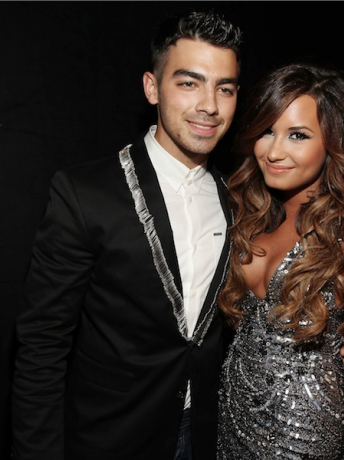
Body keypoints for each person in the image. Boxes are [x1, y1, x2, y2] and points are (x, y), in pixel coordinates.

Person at [12, 10, 242, 460]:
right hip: (112, 436)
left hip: (205, 434)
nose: (209, 105)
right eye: (189, 83)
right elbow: (41, 346)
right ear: (152, 88)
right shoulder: (85, 193)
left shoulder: (237, 198)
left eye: (225, 88)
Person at [216, 62, 344, 459]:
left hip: (303, 436)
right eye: (267, 131)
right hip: (231, 419)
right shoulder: (249, 214)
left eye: (297, 135)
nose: (274, 151)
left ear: (332, 142)